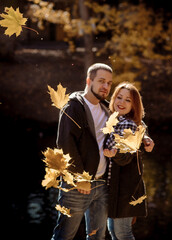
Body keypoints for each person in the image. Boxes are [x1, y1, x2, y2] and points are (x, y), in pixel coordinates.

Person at [51, 63, 113, 240]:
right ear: (88, 81)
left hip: (102, 185)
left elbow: (133, 120)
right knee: (64, 236)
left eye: (109, 83)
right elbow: (64, 144)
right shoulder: (72, 107)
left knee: (97, 237)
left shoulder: (108, 110)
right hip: (76, 185)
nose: (106, 87)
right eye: (101, 81)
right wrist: (80, 178)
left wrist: (145, 136)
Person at [103, 82, 155, 240]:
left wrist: (114, 154)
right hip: (114, 186)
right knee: (113, 230)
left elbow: (125, 157)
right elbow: (140, 124)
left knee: (122, 233)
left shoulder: (128, 124)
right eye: (119, 97)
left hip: (126, 188)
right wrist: (145, 135)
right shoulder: (114, 118)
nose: (122, 102)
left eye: (128, 100)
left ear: (134, 105)